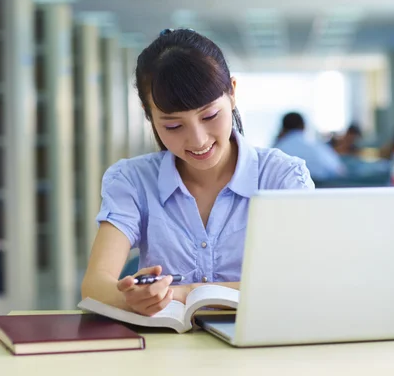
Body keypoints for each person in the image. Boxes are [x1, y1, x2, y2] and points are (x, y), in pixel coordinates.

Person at [81, 29, 314, 316]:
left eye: (210, 116)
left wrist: (189, 293)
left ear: (232, 92)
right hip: (165, 355)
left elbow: (301, 283)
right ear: (148, 113)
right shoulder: (132, 180)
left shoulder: (282, 177)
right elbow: (95, 285)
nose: (198, 140)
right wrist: (130, 299)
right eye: (173, 126)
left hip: (262, 350)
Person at [273, 112, 345, 181]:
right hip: (324, 188)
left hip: (291, 190)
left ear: (283, 128)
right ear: (304, 126)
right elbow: (338, 170)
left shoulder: (279, 148)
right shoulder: (316, 145)